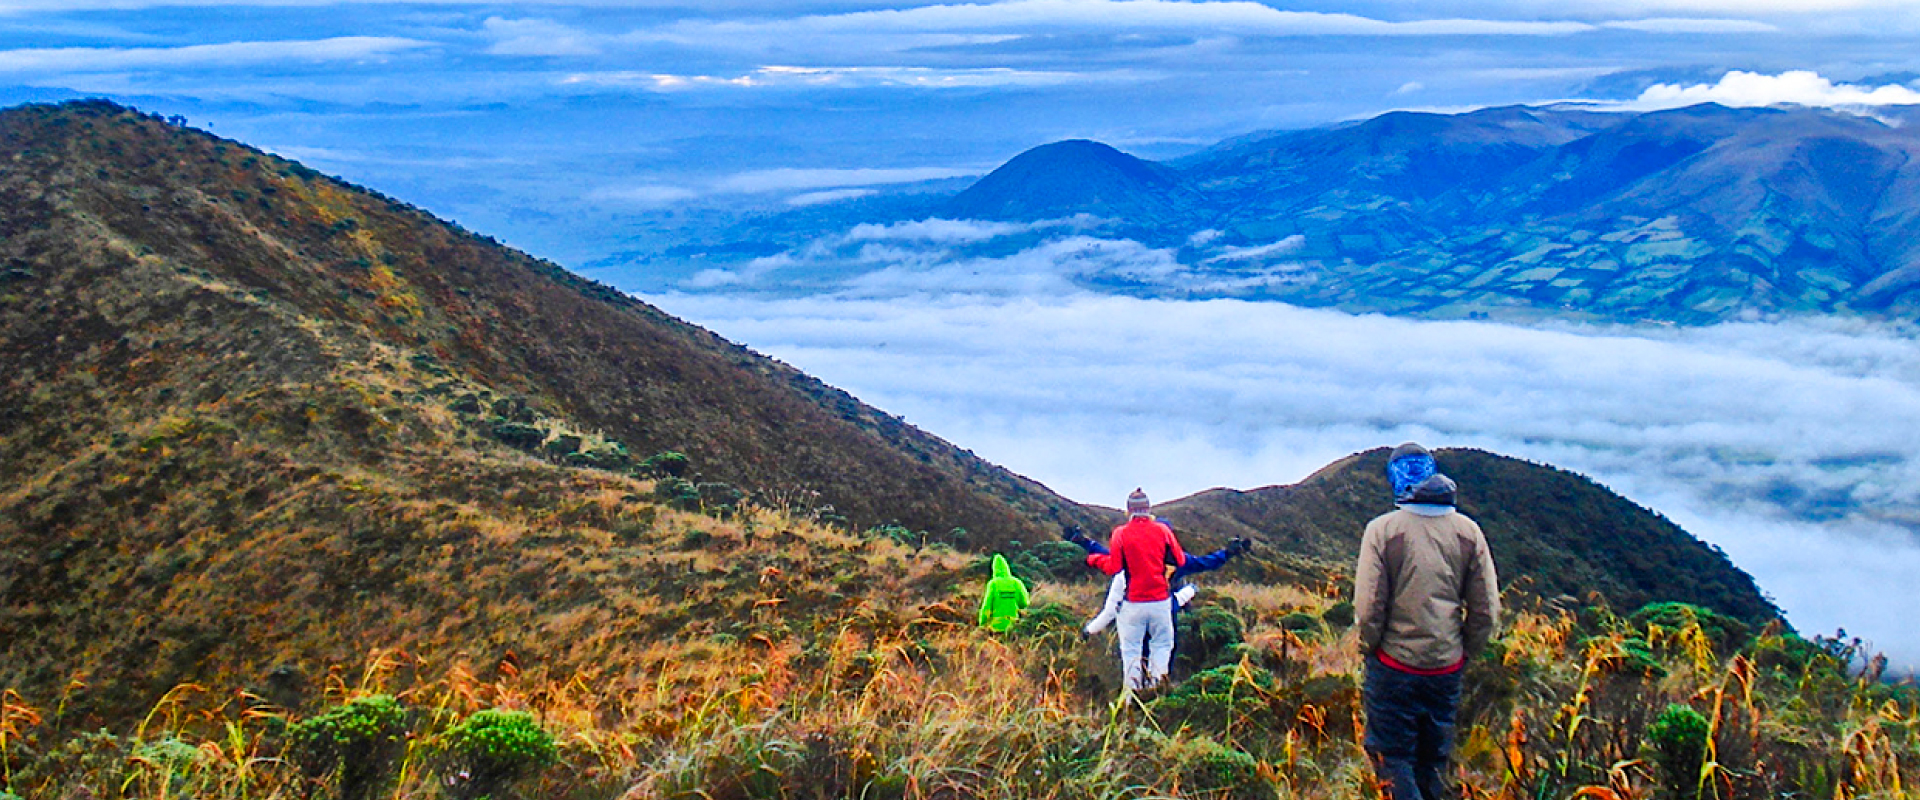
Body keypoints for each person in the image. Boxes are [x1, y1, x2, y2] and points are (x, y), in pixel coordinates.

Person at [1354, 443, 1501, 800]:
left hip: (1393, 667)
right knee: (1433, 761)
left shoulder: (1383, 530)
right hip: (1445, 668)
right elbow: (1486, 612)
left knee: (1393, 758)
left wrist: (1369, 647)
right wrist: (1464, 653)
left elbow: (1369, 608)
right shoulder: (1469, 531)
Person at [1083, 488, 1187, 691]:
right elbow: (1180, 560)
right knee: (1162, 646)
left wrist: (1094, 559)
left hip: (1132, 603)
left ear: (1128, 510)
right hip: (1160, 602)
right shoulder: (1163, 531)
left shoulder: (1120, 533)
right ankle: (1155, 691)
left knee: (1131, 652)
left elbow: (1114, 567)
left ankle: (1131, 699)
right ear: (1148, 509)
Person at [976, 553, 1031, 633]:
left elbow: (987, 606)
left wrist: (982, 622)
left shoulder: (993, 584)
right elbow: (1025, 603)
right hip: (1014, 626)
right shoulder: (1016, 582)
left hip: (996, 628)